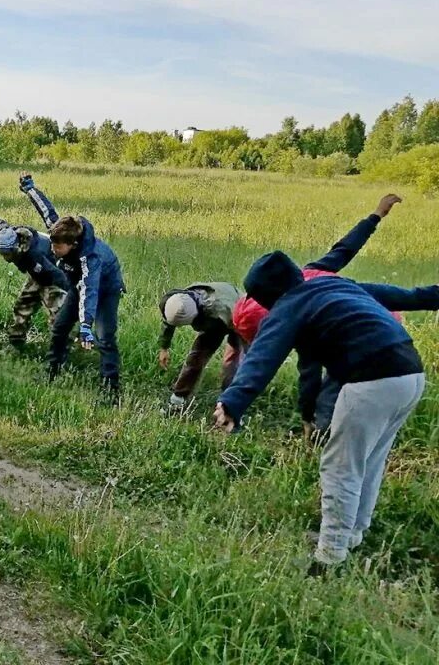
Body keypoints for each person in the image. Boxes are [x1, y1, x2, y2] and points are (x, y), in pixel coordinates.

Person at [212, 251, 426, 574]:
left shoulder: (290, 304)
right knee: (369, 460)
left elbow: (263, 355)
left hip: (371, 377)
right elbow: (404, 296)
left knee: (340, 466)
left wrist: (231, 403)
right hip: (410, 373)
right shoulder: (333, 286)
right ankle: (352, 533)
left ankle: (330, 555)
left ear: (267, 296)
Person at [233, 194, 405, 435]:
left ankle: (323, 437)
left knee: (333, 397)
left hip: (367, 338)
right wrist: (376, 215)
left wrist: (307, 417)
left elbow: (309, 373)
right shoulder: (308, 274)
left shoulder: (297, 317)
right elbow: (345, 249)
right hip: (384, 325)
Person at [19, 173, 124, 395]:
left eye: (58, 248)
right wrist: (30, 189)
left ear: (73, 245)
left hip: (105, 290)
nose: (54, 251)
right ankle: (52, 371)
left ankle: (110, 390)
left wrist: (86, 325)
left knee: (104, 337)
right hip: (82, 288)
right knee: (60, 328)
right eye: (53, 245)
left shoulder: (90, 258)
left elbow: (90, 289)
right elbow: (46, 211)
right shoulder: (61, 231)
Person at [0, 211, 70, 349]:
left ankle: (62, 352)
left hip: (51, 276)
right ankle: (16, 345)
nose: (4, 258)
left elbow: (56, 275)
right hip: (36, 275)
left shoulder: (34, 255)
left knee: (58, 317)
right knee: (22, 308)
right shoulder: (8, 234)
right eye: (1, 254)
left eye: (7, 254)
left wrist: (72, 291)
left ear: (15, 248)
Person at [158, 282, 243, 411]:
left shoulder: (217, 311)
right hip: (215, 315)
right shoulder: (178, 299)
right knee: (195, 358)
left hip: (239, 315)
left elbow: (241, 330)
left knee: (231, 363)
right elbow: (170, 318)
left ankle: (229, 406)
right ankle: (177, 400)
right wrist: (164, 347)